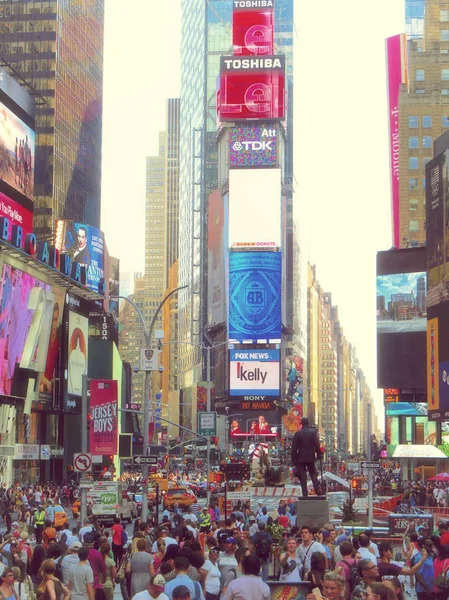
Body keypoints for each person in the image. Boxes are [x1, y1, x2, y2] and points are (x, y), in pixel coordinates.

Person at [291, 417, 323, 496]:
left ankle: (305, 493)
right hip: (310, 457)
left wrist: (293, 460)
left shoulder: (298, 434)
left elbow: (294, 448)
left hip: (300, 458)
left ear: (301, 423)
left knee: (303, 476)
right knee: (313, 474)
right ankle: (318, 491)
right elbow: (317, 445)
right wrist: (319, 454)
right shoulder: (313, 433)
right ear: (308, 423)